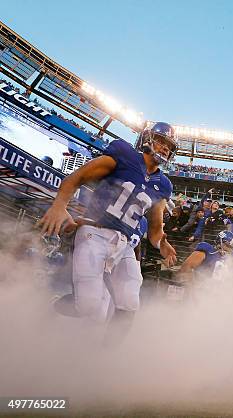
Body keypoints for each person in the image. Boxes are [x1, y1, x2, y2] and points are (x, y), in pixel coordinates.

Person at [39, 122, 178, 344]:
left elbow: (155, 229)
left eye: (169, 146)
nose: (164, 148)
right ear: (147, 139)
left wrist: (162, 242)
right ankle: (54, 307)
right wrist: (59, 205)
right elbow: (78, 177)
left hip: (125, 245)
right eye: (161, 141)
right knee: (89, 305)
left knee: (130, 301)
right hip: (95, 232)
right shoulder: (124, 155)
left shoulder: (163, 185)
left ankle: (106, 355)